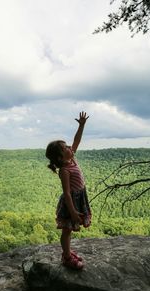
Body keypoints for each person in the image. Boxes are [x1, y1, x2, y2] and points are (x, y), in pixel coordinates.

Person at [45, 111, 91, 270]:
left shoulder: (71, 159)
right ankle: (66, 257)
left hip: (79, 198)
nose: (70, 148)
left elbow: (76, 141)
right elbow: (67, 193)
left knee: (69, 231)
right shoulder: (65, 170)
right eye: (65, 148)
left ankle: (68, 251)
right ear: (59, 158)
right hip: (70, 203)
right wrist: (72, 212)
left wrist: (81, 126)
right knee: (66, 230)